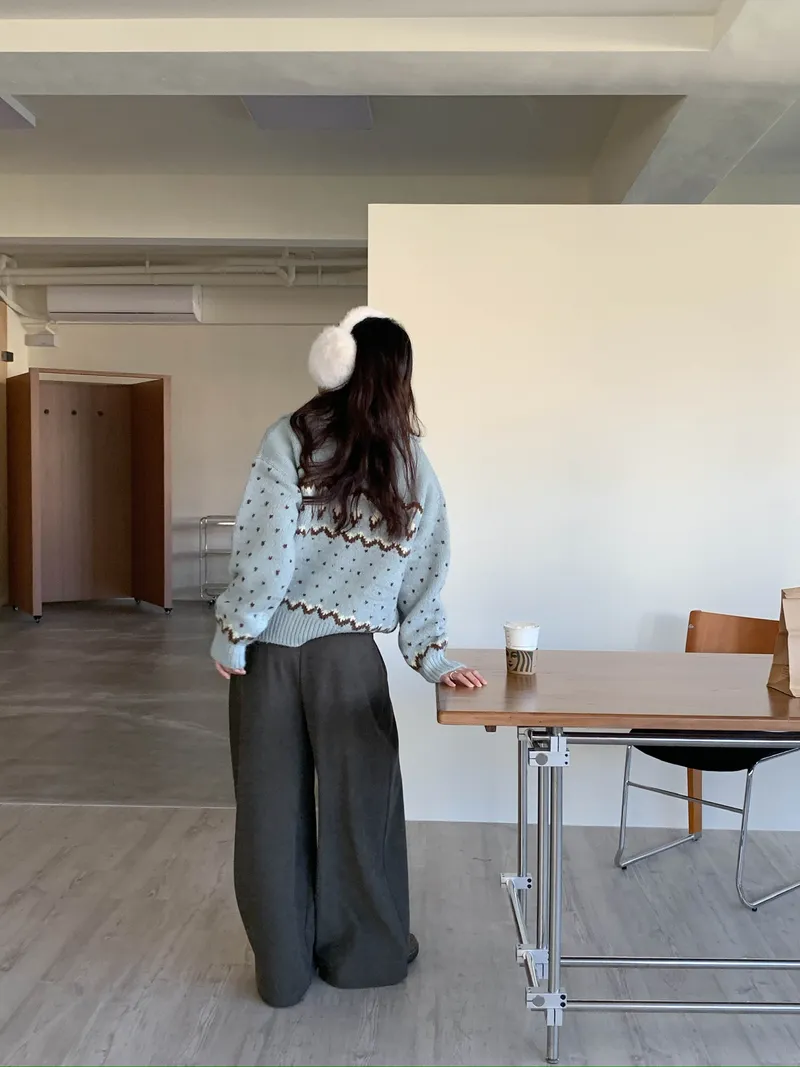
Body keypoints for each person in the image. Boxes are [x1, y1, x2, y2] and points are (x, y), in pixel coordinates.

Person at [211, 306, 485, 1009]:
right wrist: (431, 656)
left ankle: (283, 975)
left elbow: (266, 551)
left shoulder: (290, 437)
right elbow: (427, 568)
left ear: (335, 363)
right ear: (399, 377)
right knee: (363, 811)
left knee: (270, 817)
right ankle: (367, 957)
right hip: (349, 663)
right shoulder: (409, 461)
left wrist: (235, 631)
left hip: (270, 660)